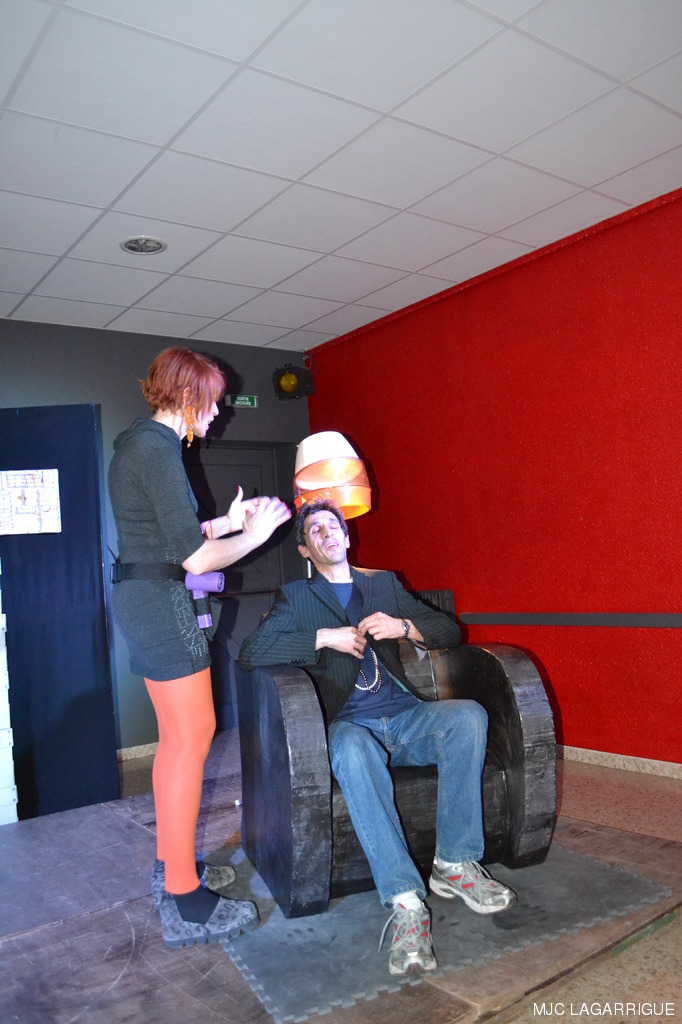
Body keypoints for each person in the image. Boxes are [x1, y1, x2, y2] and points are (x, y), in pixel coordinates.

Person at [239, 498, 516, 975]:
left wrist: (403, 626)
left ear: (347, 536)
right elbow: (251, 652)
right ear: (305, 550)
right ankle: (406, 901)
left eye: (332, 525)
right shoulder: (297, 597)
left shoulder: (382, 585)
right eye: (315, 531)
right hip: (351, 724)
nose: (326, 533)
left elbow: (449, 631)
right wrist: (322, 638)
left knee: (467, 717)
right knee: (349, 747)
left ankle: (454, 864)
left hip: (406, 717)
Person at [108, 347, 291, 950]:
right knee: (192, 737)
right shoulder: (156, 451)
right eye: (211, 403)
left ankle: (172, 868)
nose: (216, 415)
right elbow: (194, 559)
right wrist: (256, 535)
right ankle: (186, 900)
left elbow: (173, 537)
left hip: (146, 599)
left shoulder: (143, 445)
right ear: (187, 396)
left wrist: (229, 523)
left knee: (178, 741)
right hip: (160, 605)